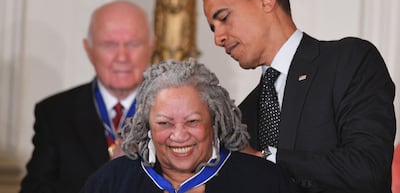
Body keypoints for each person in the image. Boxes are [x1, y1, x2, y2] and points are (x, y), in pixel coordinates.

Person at [202, 0, 396, 193]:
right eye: (213, 28)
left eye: (224, 18)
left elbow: (368, 169)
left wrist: (267, 159)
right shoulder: (242, 115)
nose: (218, 38)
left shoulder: (349, 61)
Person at [80, 59, 297, 193]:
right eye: (164, 123)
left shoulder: (263, 181)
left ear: (214, 120)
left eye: (192, 121)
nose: (179, 135)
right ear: (148, 125)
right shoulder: (111, 182)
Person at [19, 0, 156, 193]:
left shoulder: (178, 111)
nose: (122, 57)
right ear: (88, 50)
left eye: (133, 44)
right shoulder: (54, 113)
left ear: (152, 45)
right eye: (109, 45)